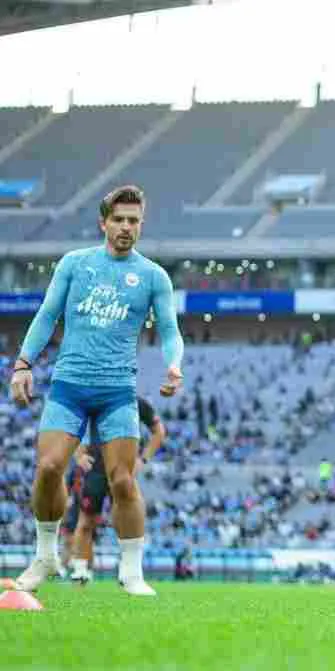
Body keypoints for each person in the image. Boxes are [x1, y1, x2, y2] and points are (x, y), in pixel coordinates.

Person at [9, 185, 184, 597]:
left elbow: (171, 331)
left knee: (123, 480)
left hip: (116, 392)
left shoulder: (153, 276)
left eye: (134, 221)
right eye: (119, 219)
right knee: (49, 468)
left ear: (141, 225)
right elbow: (47, 314)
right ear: (103, 222)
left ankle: (132, 572)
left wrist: (174, 365)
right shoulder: (75, 264)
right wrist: (22, 364)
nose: (126, 227)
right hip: (69, 386)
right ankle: (46, 554)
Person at [67, 396, 167, 584]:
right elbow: (72, 425)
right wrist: (78, 454)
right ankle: (80, 571)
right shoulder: (96, 398)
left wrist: (142, 460)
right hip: (96, 467)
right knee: (87, 519)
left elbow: (159, 431)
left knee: (125, 520)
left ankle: (128, 569)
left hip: (123, 468)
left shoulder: (137, 402)